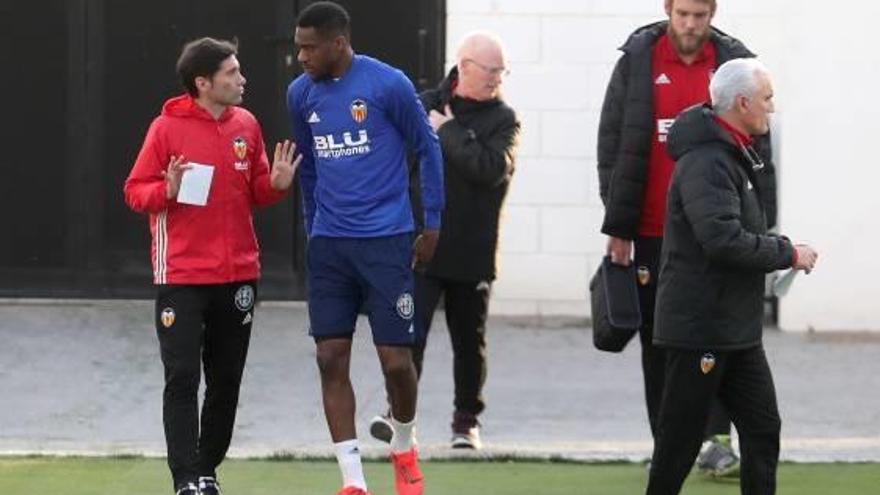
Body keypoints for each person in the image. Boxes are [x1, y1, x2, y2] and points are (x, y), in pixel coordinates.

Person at [596, 0, 775, 475]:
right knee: (661, 342)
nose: (691, 24)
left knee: (722, 335)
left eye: (699, 15)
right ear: (668, 11)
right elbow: (614, 141)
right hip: (653, 228)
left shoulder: (735, 64)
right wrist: (618, 224)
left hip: (717, 230)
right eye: (683, 15)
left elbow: (760, 149)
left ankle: (715, 441)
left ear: (712, 13)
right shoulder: (638, 61)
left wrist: (763, 223)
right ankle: (671, 444)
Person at [124, 38, 298, 495]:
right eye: (232, 73)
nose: (242, 80)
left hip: (239, 275)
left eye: (239, 71)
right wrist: (168, 187)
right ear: (203, 83)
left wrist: (276, 184)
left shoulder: (247, 124)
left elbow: (256, 190)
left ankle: (206, 469)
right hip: (181, 276)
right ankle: (184, 478)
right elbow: (135, 192)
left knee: (225, 380)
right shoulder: (165, 129)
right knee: (182, 376)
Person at [286, 3, 444, 495]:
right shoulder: (300, 94)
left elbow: (428, 148)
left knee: (396, 362)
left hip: (387, 241)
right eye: (298, 47)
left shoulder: (387, 84)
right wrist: (314, 229)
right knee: (330, 357)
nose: (301, 57)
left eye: (309, 47)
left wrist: (432, 224)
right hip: (331, 245)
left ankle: (402, 443)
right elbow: (308, 168)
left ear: (338, 42)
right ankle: (353, 482)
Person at [646, 58, 818, 495]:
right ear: (742, 103)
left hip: (735, 328)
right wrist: (788, 253)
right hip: (700, 327)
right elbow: (722, 240)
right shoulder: (707, 161)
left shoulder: (736, 153)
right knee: (679, 443)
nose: (772, 108)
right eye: (767, 99)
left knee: (763, 428)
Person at [369, 31, 520, 450]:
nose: (496, 79)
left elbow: (491, 168)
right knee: (407, 336)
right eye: (490, 71)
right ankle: (399, 417)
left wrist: (449, 131)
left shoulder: (503, 119)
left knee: (469, 343)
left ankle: (465, 421)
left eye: (501, 71)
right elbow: (394, 160)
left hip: (472, 249)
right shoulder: (422, 104)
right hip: (421, 245)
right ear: (464, 66)